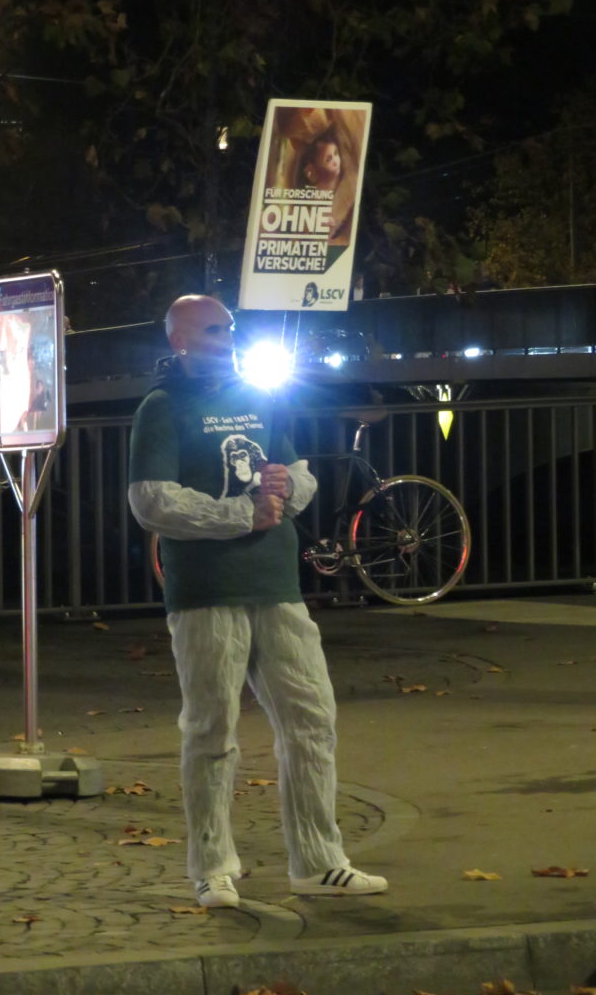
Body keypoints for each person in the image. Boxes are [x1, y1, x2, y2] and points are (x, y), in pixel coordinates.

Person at [128, 294, 388, 908]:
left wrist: (285, 486)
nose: (227, 337)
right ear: (180, 341)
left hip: (277, 586)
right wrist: (241, 514)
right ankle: (213, 866)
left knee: (311, 719)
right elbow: (150, 501)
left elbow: (300, 475)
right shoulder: (161, 408)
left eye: (230, 328)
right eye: (214, 330)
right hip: (204, 594)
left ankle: (319, 861)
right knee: (210, 730)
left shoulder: (258, 395)